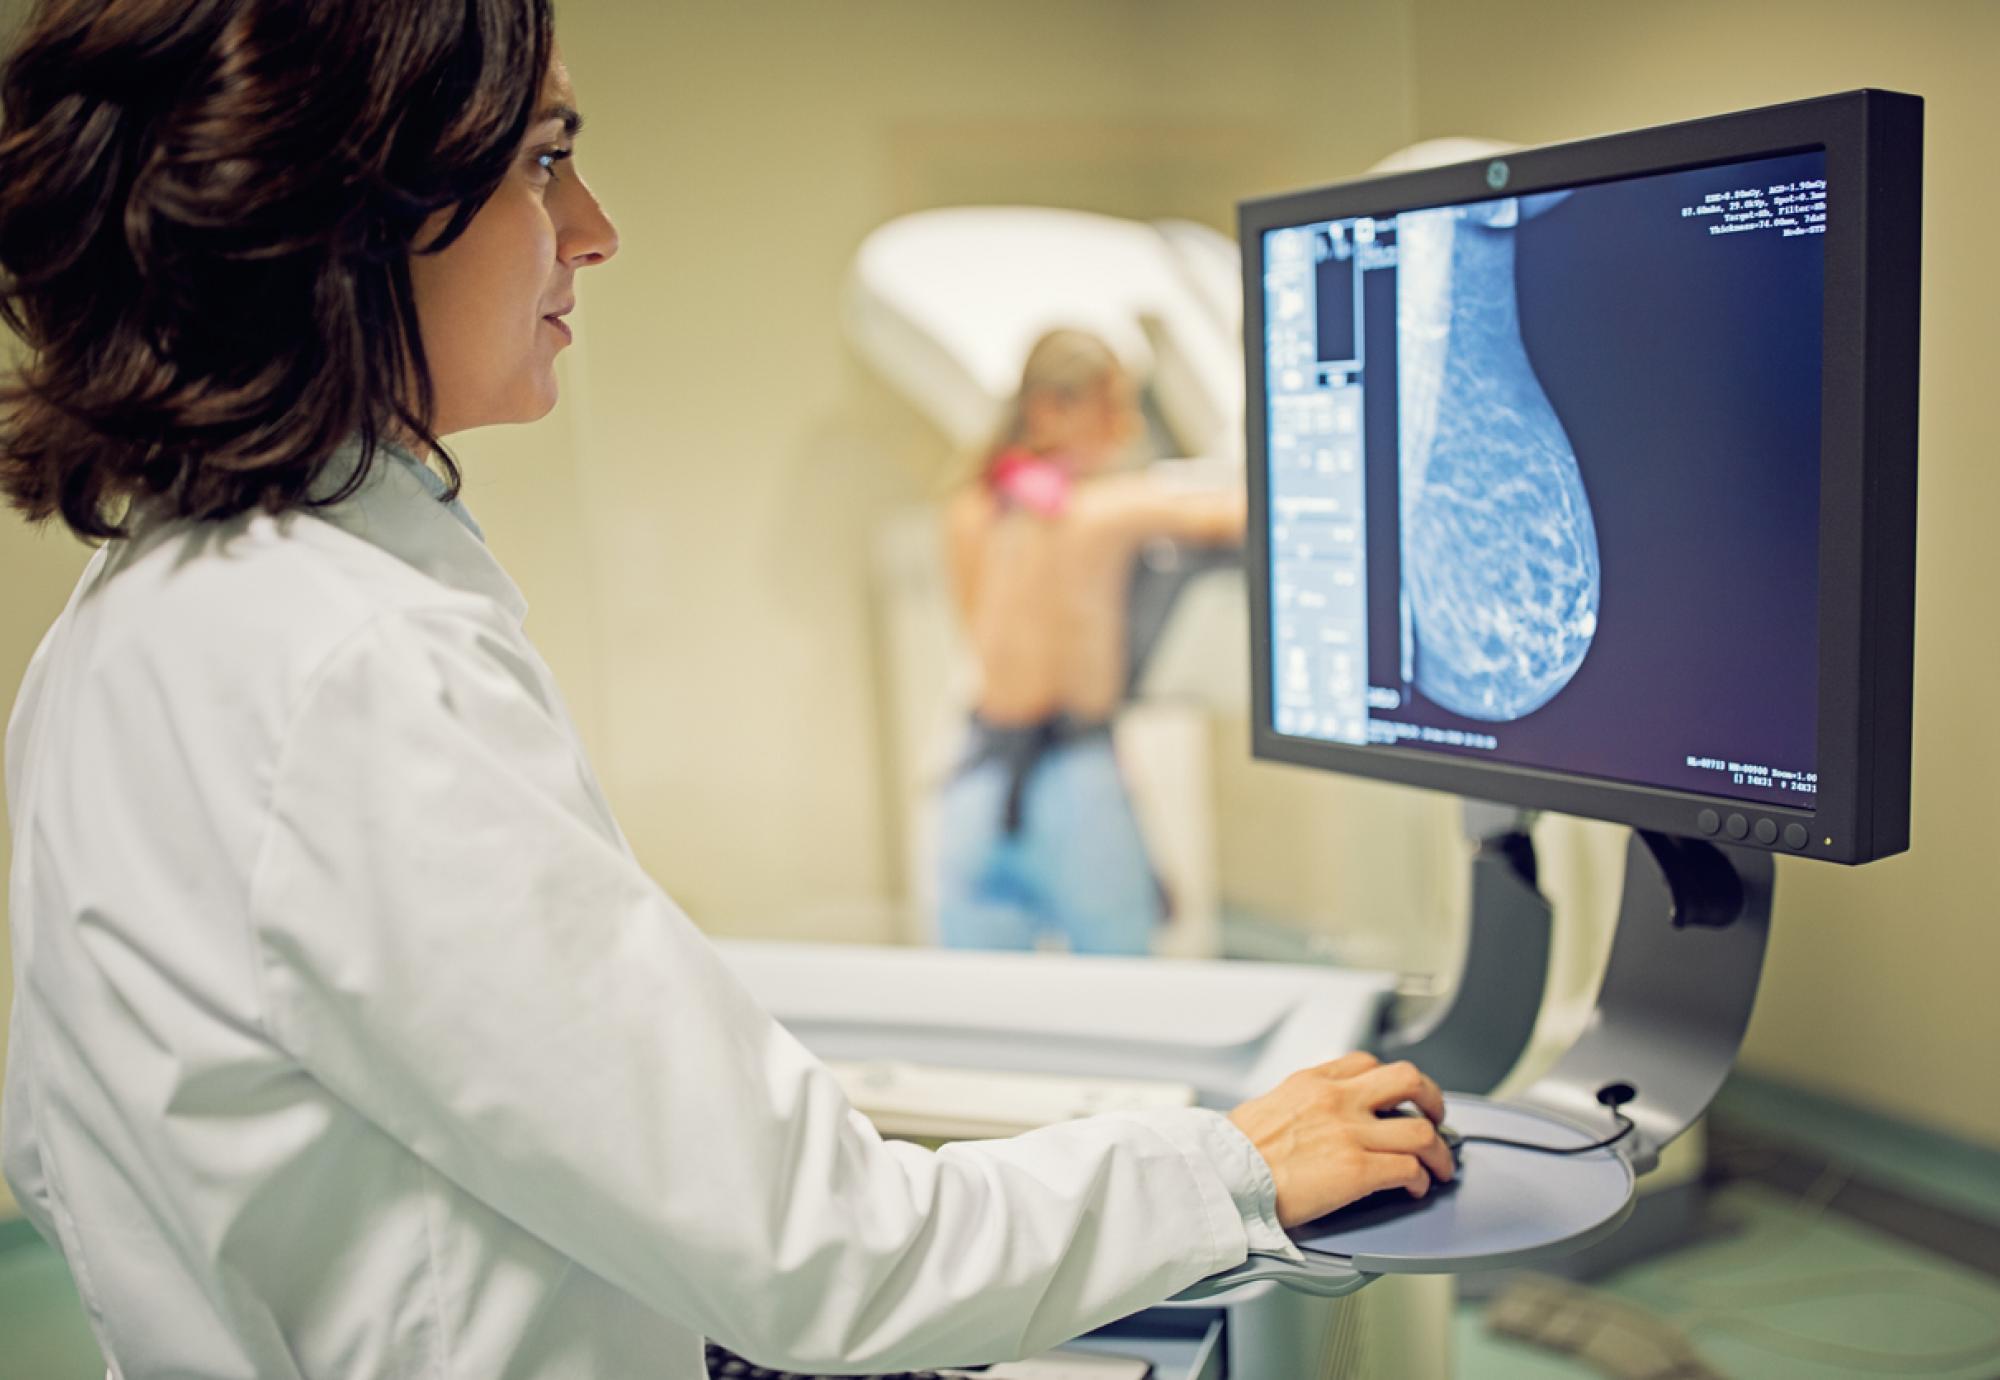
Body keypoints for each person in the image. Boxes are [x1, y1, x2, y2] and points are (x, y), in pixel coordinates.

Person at [0, 4, 1455, 1377]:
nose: (595, 230)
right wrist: (1224, 1167)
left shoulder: (123, 626)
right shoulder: (352, 668)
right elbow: (828, 1255)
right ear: (344, 216)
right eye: (545, 163)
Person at [936, 329, 1245, 954]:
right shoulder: (1101, 513)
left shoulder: (967, 510)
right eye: (1115, 405)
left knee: (982, 1007)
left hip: (973, 782)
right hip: (1071, 782)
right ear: (1052, 410)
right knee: (1124, 984)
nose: (1129, 428)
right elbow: (1242, 515)